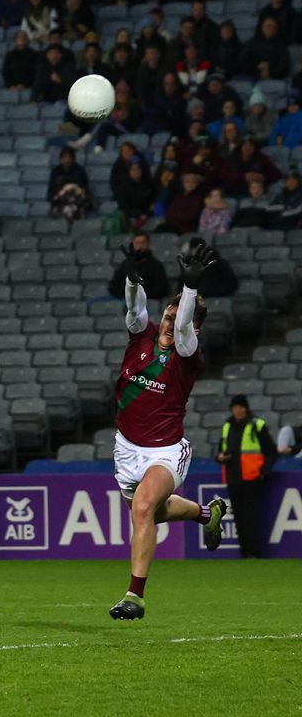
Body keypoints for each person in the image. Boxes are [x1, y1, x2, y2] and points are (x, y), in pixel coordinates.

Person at [107, 239, 229, 620]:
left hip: (165, 451)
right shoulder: (140, 339)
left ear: (191, 329)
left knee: (142, 508)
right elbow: (134, 309)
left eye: (179, 320)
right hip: (127, 449)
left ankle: (135, 596)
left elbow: (183, 335)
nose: (170, 323)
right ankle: (205, 515)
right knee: (152, 513)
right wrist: (132, 280)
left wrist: (190, 288)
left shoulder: (187, 358)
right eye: (168, 314)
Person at [216, 395, 278, 559]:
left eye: (240, 407)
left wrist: (263, 472)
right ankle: (245, 552)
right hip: (233, 477)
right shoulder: (227, 426)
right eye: (235, 408)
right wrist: (220, 457)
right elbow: (219, 451)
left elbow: (271, 452)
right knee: (238, 517)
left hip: (252, 478)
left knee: (251, 517)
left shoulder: (257, 425)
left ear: (246, 409)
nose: (237, 411)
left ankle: (254, 552)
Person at [108, 233, 169, 299]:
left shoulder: (156, 265)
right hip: (126, 299)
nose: (140, 246)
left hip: (147, 301)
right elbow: (113, 286)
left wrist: (139, 294)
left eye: (143, 242)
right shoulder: (125, 264)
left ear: (148, 244)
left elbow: (162, 289)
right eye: (137, 243)